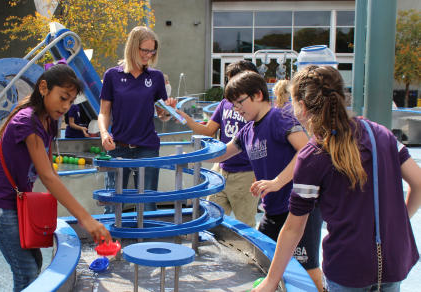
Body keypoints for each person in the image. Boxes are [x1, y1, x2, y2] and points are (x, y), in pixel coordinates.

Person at [251, 66, 421, 292]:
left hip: (347, 267)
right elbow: (418, 183)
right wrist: (395, 225)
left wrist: (271, 282)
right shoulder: (380, 134)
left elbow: (294, 229)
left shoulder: (312, 156)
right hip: (392, 260)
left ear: (302, 106)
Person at [0, 64, 112, 292]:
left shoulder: (48, 120)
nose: (66, 106)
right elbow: (48, 177)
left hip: (16, 201)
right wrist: (86, 219)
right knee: (27, 271)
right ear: (43, 88)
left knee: (35, 262)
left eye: (71, 101)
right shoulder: (26, 121)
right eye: (63, 97)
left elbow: (50, 171)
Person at [205, 70, 323, 291]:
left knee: (308, 268)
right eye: (234, 105)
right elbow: (223, 153)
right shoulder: (247, 131)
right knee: (265, 262)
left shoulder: (279, 118)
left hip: (299, 208)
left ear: (258, 95)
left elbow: (306, 151)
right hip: (273, 210)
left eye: (240, 103)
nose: (237, 110)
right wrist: (195, 154)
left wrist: (278, 181)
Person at [98, 26, 176, 213]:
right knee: (113, 204)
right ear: (133, 47)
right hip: (119, 147)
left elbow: (161, 115)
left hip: (147, 148)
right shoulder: (112, 75)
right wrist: (103, 133)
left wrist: (169, 111)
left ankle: (148, 241)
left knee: (148, 204)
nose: (149, 55)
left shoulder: (156, 77)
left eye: (152, 51)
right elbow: (104, 112)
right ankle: (113, 242)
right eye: (145, 50)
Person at [177, 60, 259, 228]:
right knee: (211, 219)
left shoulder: (255, 109)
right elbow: (208, 131)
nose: (228, 85)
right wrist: (186, 120)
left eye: (232, 80)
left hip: (245, 174)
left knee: (245, 226)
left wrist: (259, 174)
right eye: (227, 80)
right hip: (221, 171)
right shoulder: (224, 104)